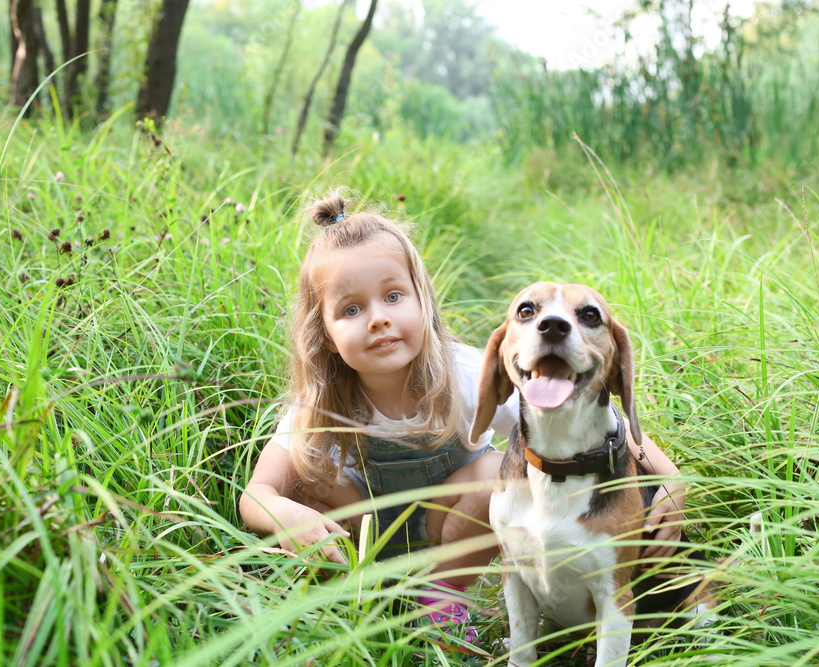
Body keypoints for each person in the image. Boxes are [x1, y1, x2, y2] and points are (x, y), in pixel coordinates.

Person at [238, 190, 686, 643]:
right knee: (306, 478)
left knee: (494, 469)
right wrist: (283, 514)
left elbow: (606, 426)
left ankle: (442, 600)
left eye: (393, 296)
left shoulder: (464, 372)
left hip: (444, 532)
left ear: (423, 302)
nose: (377, 320)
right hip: (365, 535)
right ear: (327, 336)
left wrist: (671, 481)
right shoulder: (318, 402)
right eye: (351, 309)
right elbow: (257, 492)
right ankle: (355, 595)